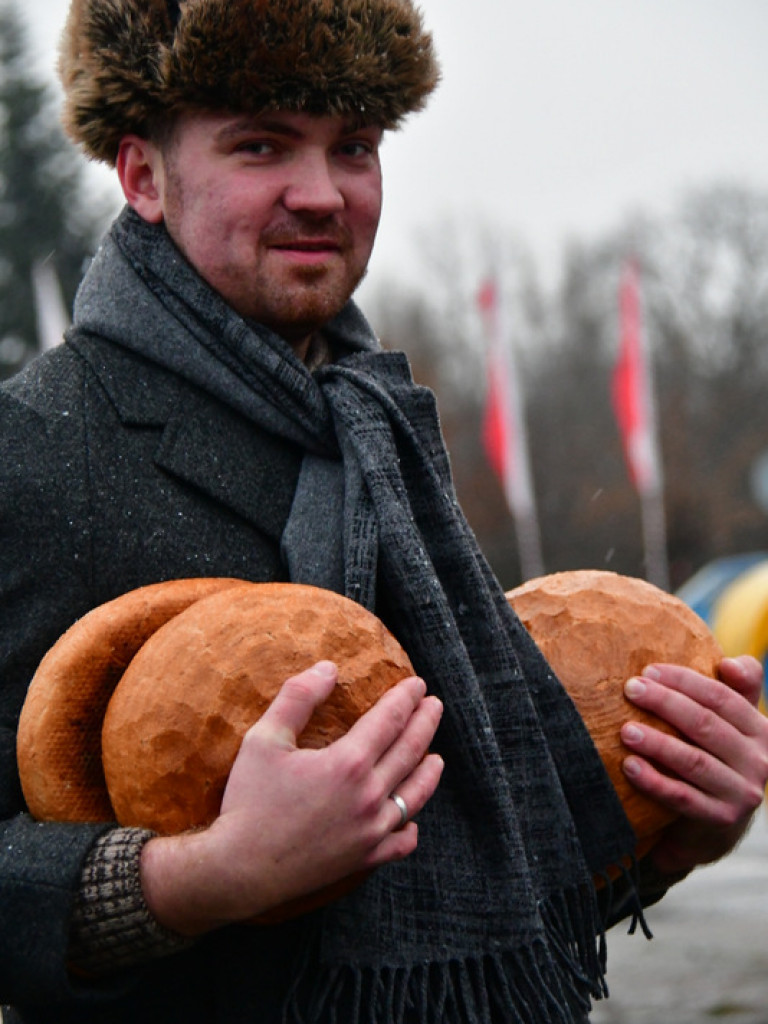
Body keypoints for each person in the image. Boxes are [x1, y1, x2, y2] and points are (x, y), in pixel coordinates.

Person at [0, 0, 766, 1021]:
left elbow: (466, 854)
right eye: (262, 145)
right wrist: (199, 877)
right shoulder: (31, 449)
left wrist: (667, 837)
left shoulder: (384, 439)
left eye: (353, 146)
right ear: (143, 175)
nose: (321, 194)